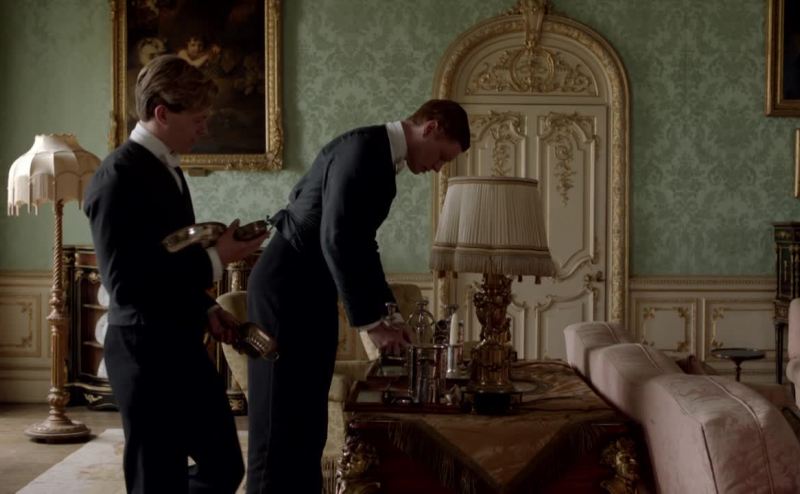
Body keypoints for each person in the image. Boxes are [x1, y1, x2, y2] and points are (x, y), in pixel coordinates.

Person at [245, 99, 471, 493]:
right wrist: (371, 325)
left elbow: (363, 245)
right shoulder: (364, 150)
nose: (438, 168)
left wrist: (390, 316)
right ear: (431, 127)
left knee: (308, 426)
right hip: (285, 291)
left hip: (311, 292)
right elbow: (336, 239)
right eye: (441, 157)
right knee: (278, 427)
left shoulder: (378, 156)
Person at [83, 54, 266, 494]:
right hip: (143, 350)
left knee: (224, 466)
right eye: (198, 119)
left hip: (178, 343)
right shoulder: (116, 176)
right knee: (156, 479)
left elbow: (161, 259)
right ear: (162, 113)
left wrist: (206, 308)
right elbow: (125, 283)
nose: (204, 128)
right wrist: (216, 258)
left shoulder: (166, 166)